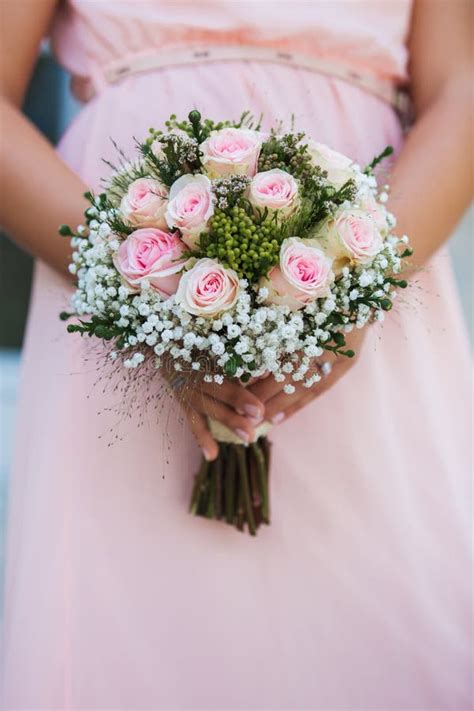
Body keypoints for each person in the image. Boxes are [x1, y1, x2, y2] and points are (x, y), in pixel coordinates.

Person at [1, 1, 472, 708]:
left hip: (371, 260)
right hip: (114, 265)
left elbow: (460, 90)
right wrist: (137, 290)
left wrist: (361, 289)